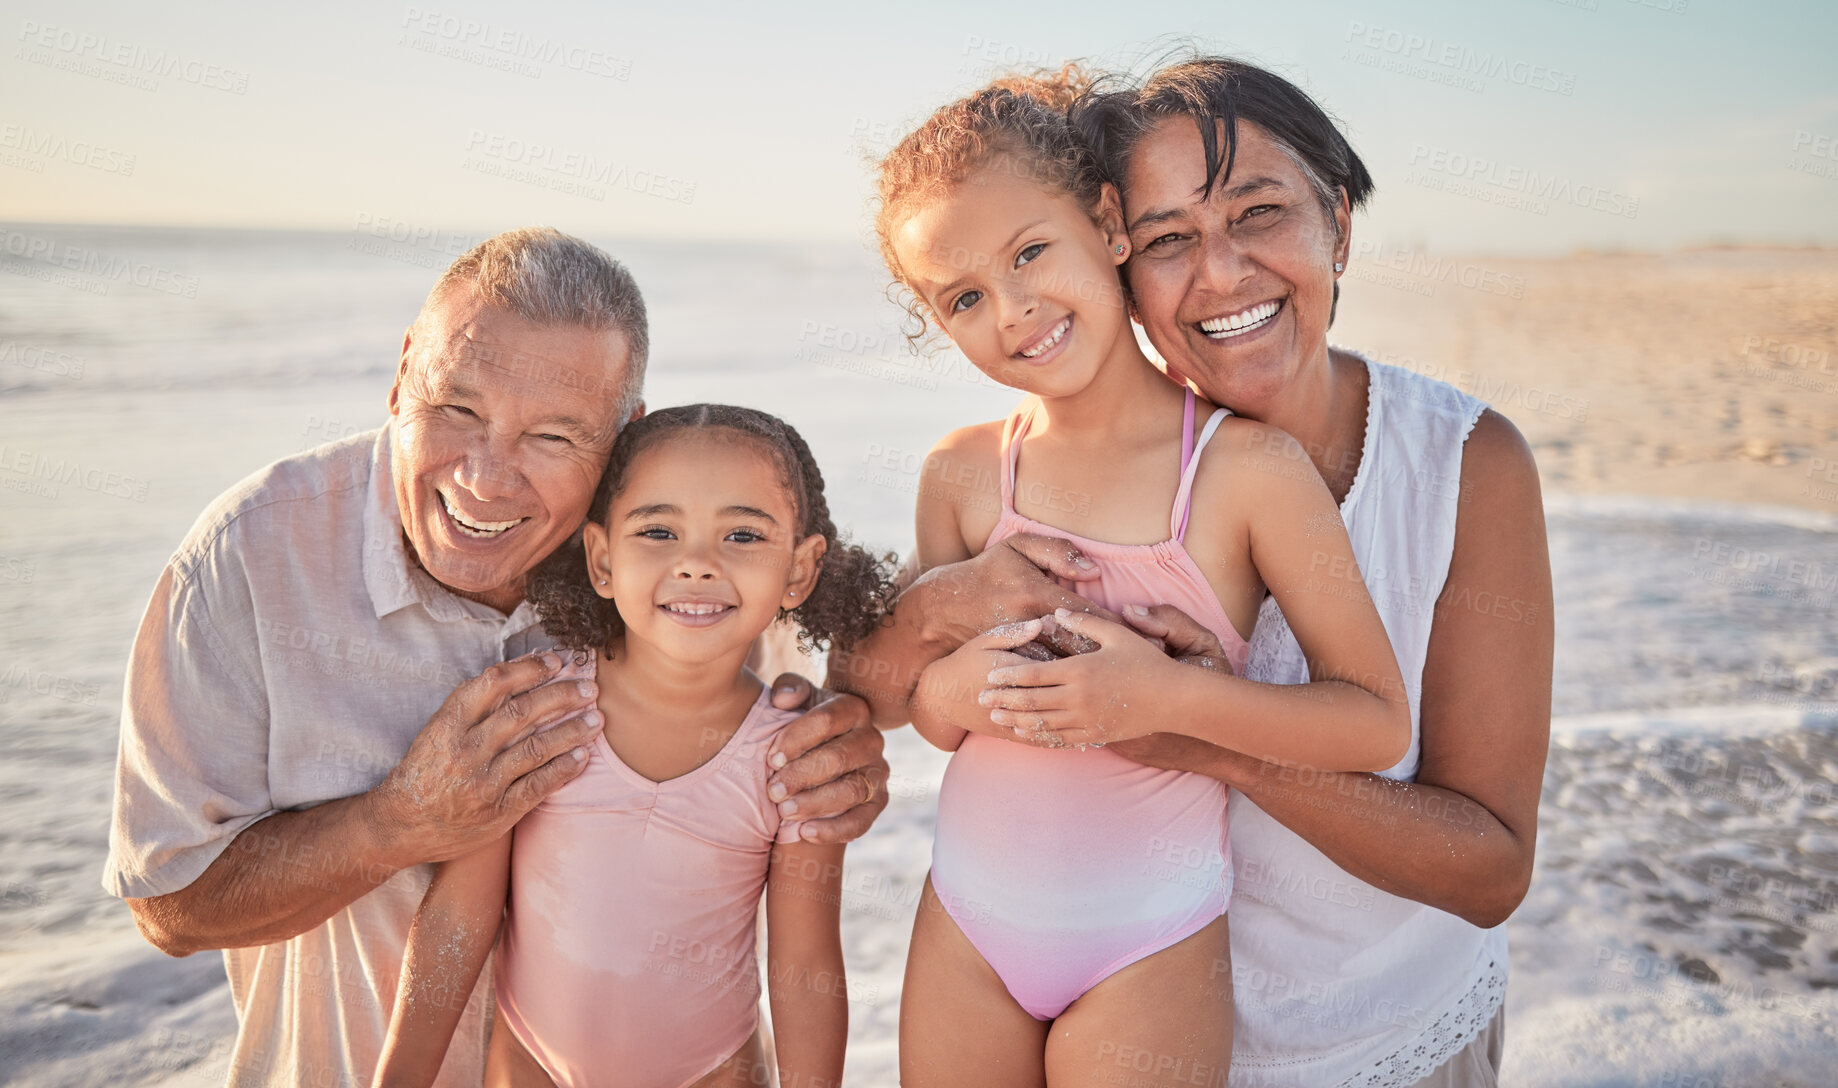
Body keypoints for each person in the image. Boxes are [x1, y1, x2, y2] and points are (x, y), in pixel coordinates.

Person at [837, 58, 1553, 1088]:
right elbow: (893, 691)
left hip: (1366, 1034)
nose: (1218, 276)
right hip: (1007, 951)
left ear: (1337, 224)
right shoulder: (971, 469)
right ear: (1125, 243)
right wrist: (951, 619)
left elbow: (1481, 856)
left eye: (1258, 215)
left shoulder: (1416, 466)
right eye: (1172, 236)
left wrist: (1180, 718)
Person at [101, 229, 890, 1088]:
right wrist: (398, 821)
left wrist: (849, 740)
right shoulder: (248, 557)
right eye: (458, 409)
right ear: (404, 372)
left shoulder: (680, 567)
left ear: (618, 435)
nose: (485, 477)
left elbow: (783, 801)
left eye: (553, 437)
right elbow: (169, 906)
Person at [374, 404, 895, 1088]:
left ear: (799, 570)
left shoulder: (792, 758)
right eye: (658, 531)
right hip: (530, 1066)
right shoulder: (536, 714)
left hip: (715, 1073)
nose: (698, 565)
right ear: (602, 558)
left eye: (742, 534)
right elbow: (459, 917)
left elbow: (804, 970)